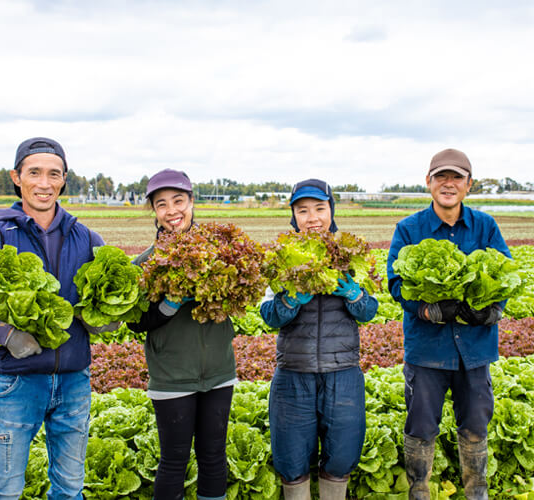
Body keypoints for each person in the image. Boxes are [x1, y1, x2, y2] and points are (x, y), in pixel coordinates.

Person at [0, 137, 112, 499]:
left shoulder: (87, 238)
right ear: (17, 177)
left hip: (74, 381)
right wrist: (5, 334)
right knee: (4, 491)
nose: (45, 183)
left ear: (64, 180)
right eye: (34, 173)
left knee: (70, 489)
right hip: (16, 385)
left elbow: (108, 299)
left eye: (54, 174)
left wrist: (106, 317)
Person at [387, 149, 510, 500]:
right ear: (428, 182)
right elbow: (396, 283)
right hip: (428, 351)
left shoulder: (485, 226)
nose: (448, 184)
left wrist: (492, 309)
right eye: (441, 176)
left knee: (475, 425)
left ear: (469, 185)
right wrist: (427, 310)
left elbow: (505, 273)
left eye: (457, 177)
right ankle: (420, 491)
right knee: (422, 427)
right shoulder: (409, 229)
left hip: (475, 349)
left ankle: (476, 492)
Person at [259, 178, 378, 500]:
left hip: (343, 372)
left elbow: (369, 311)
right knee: (291, 456)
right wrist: (290, 300)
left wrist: (354, 294)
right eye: (303, 210)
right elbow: (268, 315)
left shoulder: (351, 255)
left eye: (319, 209)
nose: (312, 218)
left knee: (342, 455)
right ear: (293, 216)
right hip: (293, 373)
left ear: (331, 211)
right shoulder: (281, 258)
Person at [126, 168, 236, 500]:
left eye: (179, 200)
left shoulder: (222, 252)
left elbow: (243, 297)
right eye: (162, 204)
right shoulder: (145, 265)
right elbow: (135, 322)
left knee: (214, 459)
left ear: (192, 202)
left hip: (219, 372)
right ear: (154, 212)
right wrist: (170, 304)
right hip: (171, 377)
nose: (172, 211)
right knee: (174, 461)